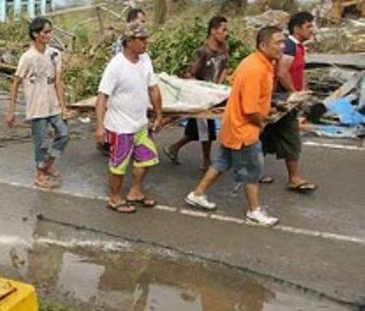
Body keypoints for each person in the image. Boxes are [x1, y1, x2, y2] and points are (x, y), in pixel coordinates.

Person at [185, 26, 287, 226]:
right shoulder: (255, 68)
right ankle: (254, 210)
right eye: (278, 42)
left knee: (221, 162)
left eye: (283, 42)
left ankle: (197, 194)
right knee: (252, 170)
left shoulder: (262, 64)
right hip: (244, 129)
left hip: (234, 125)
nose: (282, 46)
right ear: (263, 45)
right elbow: (250, 109)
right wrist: (264, 122)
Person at [95, 22, 163, 214]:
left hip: (140, 124)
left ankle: (135, 192)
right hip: (120, 127)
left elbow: (153, 88)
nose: (145, 43)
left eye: (145, 39)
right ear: (129, 41)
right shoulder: (116, 66)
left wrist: (158, 114)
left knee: (147, 158)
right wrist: (100, 127)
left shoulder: (145, 59)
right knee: (118, 165)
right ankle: (115, 198)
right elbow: (102, 97)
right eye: (141, 39)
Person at [6, 16, 70, 191]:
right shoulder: (27, 57)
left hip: (53, 104)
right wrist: (11, 111)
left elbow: (58, 81)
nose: (49, 35)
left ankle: (48, 164)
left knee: (64, 134)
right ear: (36, 34)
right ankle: (40, 174)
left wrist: (63, 108)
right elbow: (15, 83)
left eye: (50, 31)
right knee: (40, 141)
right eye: (45, 32)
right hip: (36, 106)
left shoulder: (54, 54)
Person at [260, 12, 317, 192]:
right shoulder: (290, 47)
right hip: (284, 101)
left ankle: (254, 170)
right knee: (292, 138)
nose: (312, 30)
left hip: (287, 99)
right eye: (308, 26)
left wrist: (303, 90)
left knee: (263, 136)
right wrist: (294, 94)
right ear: (297, 28)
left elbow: (298, 72)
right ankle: (294, 178)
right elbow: (282, 73)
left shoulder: (298, 47)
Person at [164, 16, 230, 172]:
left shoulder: (223, 49)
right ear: (213, 31)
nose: (226, 33)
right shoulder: (202, 52)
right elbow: (191, 75)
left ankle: (174, 148)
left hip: (215, 95)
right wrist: (204, 90)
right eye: (223, 30)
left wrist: (218, 86)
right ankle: (206, 161)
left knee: (201, 129)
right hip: (201, 96)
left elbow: (225, 67)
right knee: (205, 127)